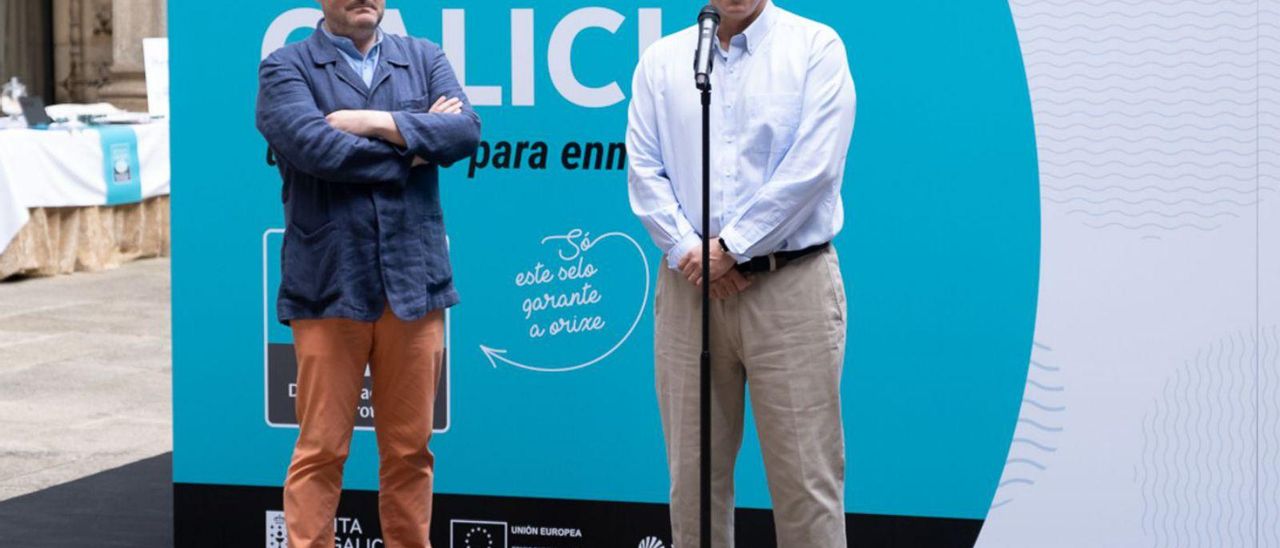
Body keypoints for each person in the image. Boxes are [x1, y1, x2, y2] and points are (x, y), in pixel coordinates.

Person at [626, 0, 856, 545]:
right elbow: (643, 170)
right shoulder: (662, 61)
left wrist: (730, 247)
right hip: (689, 292)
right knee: (694, 488)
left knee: (806, 486)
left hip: (789, 287)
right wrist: (695, 254)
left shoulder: (815, 48)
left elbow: (815, 167)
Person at [255, 0, 480, 546]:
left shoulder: (423, 57)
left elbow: (466, 133)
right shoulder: (285, 67)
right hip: (329, 283)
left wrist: (373, 122)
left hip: (415, 285)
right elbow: (317, 150)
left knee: (410, 450)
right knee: (321, 450)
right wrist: (415, 148)